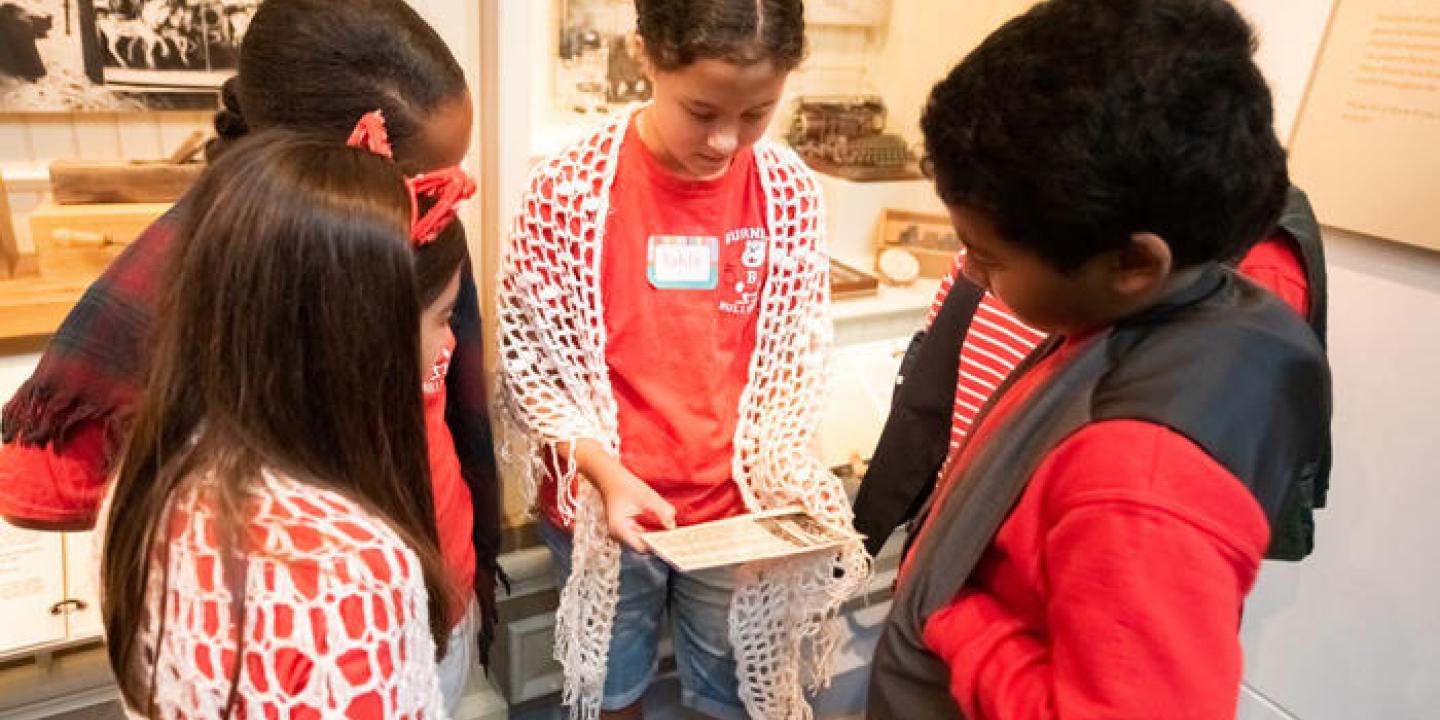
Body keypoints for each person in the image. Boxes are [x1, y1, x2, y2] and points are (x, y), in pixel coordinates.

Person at [0, 0, 505, 695]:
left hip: (429, 593)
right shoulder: (207, 280)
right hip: (317, 624)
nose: (439, 202)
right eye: (418, 180)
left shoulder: (412, 236)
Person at [866, 1, 1332, 718]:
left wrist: (957, 618)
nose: (969, 272)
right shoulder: (1174, 310)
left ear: (1134, 262)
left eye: (988, 257)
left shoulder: (1142, 480)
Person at [495, 1, 867, 717]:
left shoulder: (787, 193)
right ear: (645, 57)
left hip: (735, 510)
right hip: (606, 511)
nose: (726, 141)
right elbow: (533, 370)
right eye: (701, 110)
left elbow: (792, 358)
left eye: (758, 112)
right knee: (614, 686)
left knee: (735, 689)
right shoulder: (567, 193)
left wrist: (786, 476)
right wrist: (604, 471)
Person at [100, 131, 456, 719]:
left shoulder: (145, 483)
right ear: (358, 338)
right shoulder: (350, 573)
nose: (447, 344)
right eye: (442, 319)